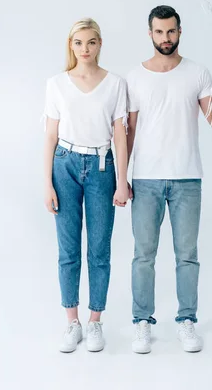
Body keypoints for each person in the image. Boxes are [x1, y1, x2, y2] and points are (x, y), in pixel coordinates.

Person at [126, 5, 212, 354]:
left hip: (187, 178)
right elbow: (127, 133)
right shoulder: (135, 77)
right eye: (159, 32)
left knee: (187, 255)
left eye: (171, 31)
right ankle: (142, 322)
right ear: (150, 33)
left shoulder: (197, 73)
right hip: (145, 179)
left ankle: (187, 321)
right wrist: (121, 178)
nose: (165, 38)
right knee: (144, 255)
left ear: (180, 31)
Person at [43, 18, 129, 353]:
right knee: (68, 250)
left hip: (101, 167)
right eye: (78, 43)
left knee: (99, 250)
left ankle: (95, 322)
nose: (85, 49)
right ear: (71, 45)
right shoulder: (56, 84)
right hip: (64, 165)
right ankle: (72, 322)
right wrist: (47, 184)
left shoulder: (115, 84)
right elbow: (50, 135)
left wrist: (122, 182)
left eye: (91, 42)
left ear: (100, 44)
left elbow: (120, 135)